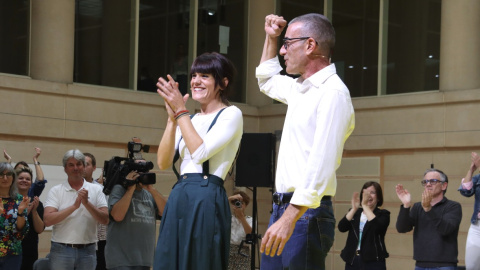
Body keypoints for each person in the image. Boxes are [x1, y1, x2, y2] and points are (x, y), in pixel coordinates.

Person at [256, 13, 355, 269]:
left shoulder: (333, 93)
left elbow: (322, 164)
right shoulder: (302, 88)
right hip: (285, 209)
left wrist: (289, 219)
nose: (282, 50)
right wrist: (270, 37)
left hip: (305, 214)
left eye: (287, 43)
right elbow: (266, 80)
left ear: (310, 45)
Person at [153, 52, 243, 270]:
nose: (195, 81)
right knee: (169, 260)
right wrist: (171, 119)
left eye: (205, 76)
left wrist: (181, 112)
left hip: (206, 193)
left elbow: (201, 153)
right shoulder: (188, 119)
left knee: (201, 261)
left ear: (222, 82)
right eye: (194, 75)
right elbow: (163, 163)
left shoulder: (231, 114)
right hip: (180, 192)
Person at [43, 149, 108, 270]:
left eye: (79, 164)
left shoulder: (97, 189)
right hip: (61, 249)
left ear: (83, 167)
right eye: (71, 165)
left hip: (88, 250)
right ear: (65, 169)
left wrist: (87, 203)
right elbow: (47, 220)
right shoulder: (56, 190)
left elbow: (105, 219)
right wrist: (74, 207)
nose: (75, 168)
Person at [396, 168, 462, 270]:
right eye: (425, 181)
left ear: (444, 185)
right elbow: (402, 228)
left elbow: (446, 229)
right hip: (420, 264)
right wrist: (406, 205)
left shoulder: (453, 206)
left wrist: (429, 209)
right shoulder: (418, 206)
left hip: (444, 265)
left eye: (433, 181)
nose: (428, 184)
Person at [105, 166, 166, 270]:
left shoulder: (149, 193)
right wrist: (130, 189)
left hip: (144, 260)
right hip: (121, 260)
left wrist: (152, 189)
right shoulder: (119, 189)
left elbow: (166, 213)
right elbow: (117, 216)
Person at [338, 181, 389, 270]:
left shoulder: (383, 214)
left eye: (372, 192)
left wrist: (365, 206)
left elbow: (377, 228)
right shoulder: (355, 213)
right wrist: (354, 209)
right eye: (365, 193)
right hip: (353, 260)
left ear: (379, 197)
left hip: (374, 261)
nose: (368, 195)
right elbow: (341, 227)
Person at [0, 162, 29, 270]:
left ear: (13, 178)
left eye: (8, 174)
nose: (5, 178)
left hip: (13, 253)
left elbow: (22, 231)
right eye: (1, 174)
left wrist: (20, 213)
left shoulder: (19, 199)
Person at [16, 166, 45, 270]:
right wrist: (23, 213)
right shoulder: (8, 202)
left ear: (31, 183)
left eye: (27, 179)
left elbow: (39, 229)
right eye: (21, 178)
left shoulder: (37, 203)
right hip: (10, 249)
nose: (24, 181)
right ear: (15, 181)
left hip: (30, 250)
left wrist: (33, 211)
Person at [83, 152, 108, 270]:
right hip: (74, 240)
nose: (82, 167)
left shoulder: (102, 189)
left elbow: (105, 216)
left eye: (86, 164)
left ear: (94, 168)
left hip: (98, 241)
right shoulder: (68, 187)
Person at [458, 152, 480, 270]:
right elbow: (465, 191)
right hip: (477, 226)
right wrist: (471, 170)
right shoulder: (478, 178)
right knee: (472, 266)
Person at [228, 190, 253, 270]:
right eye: (235, 203)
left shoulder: (250, 220)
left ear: (245, 205)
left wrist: (241, 217)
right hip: (228, 251)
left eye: (242, 203)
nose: (239, 205)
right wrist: (229, 199)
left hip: (243, 252)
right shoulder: (227, 218)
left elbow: (250, 234)